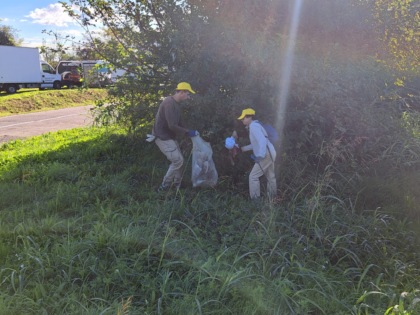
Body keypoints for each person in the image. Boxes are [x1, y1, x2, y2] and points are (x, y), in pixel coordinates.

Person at [152, 82, 199, 191]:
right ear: (181, 92)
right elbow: (172, 125)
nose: (188, 96)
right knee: (178, 161)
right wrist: (187, 132)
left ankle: (177, 185)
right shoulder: (169, 103)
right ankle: (164, 187)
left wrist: (189, 132)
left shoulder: (176, 103)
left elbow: (180, 122)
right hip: (161, 137)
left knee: (180, 160)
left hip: (169, 137)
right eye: (187, 94)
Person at [238, 108, 277, 199]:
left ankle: (255, 201)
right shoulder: (256, 125)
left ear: (249, 117)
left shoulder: (253, 126)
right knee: (271, 177)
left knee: (253, 176)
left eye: (243, 118)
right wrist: (243, 149)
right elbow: (256, 144)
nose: (242, 120)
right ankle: (272, 199)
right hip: (271, 152)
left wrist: (261, 155)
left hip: (266, 154)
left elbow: (262, 141)